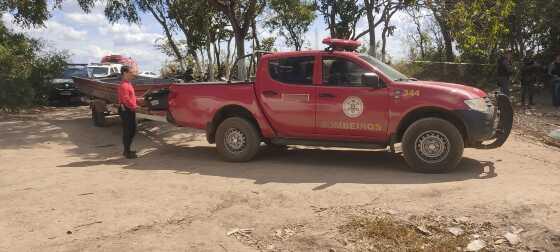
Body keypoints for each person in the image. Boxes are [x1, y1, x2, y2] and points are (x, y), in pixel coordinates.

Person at [118, 65, 138, 159]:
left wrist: (137, 101)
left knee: (132, 130)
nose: (133, 74)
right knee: (128, 131)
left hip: (129, 109)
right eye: (131, 72)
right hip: (126, 109)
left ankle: (127, 150)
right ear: (125, 73)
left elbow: (130, 97)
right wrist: (135, 107)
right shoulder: (124, 85)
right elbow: (126, 100)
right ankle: (126, 152)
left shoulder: (128, 84)